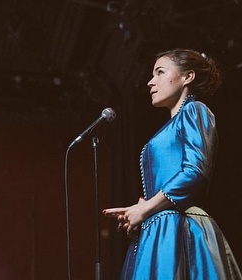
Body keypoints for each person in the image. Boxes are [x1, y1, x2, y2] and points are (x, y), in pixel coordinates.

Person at [102, 48, 242, 279]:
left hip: (179, 227)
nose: (150, 82)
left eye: (159, 72)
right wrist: (142, 209)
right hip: (161, 227)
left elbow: (194, 171)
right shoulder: (171, 125)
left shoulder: (194, 110)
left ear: (188, 77)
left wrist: (146, 208)